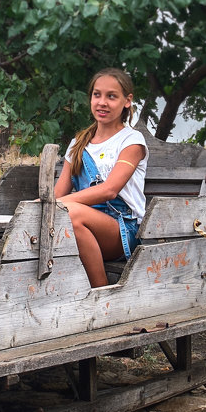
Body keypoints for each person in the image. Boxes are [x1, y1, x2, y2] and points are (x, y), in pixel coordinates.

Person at [53, 68, 147, 288]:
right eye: (97, 95)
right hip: (84, 224)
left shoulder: (131, 141)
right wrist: (44, 204)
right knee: (58, 217)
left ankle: (101, 291)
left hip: (123, 229)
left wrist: (54, 204)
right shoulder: (79, 143)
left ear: (127, 101)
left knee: (71, 215)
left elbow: (109, 190)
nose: (102, 102)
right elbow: (59, 193)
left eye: (111, 96)